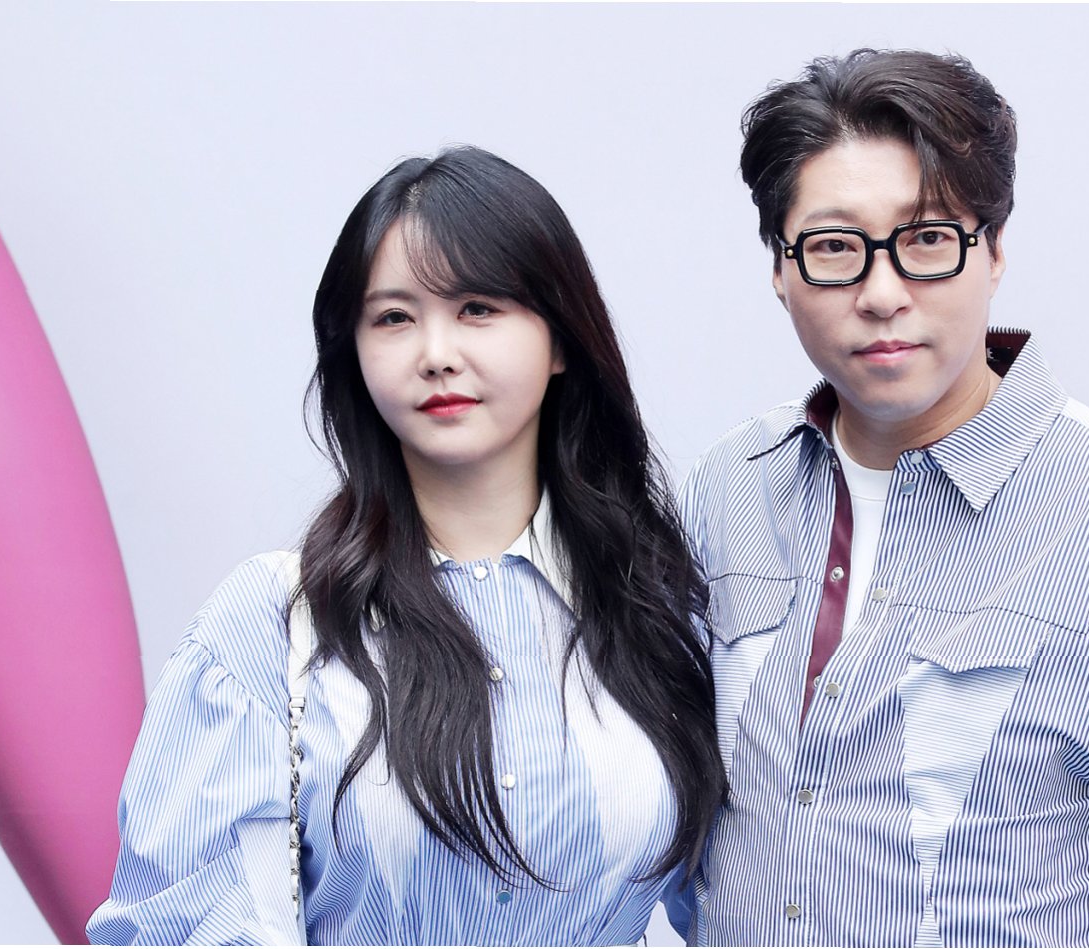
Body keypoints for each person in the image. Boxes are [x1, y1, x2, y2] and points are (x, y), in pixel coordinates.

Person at [673, 49, 1089, 947]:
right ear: (779, 267)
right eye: (834, 248)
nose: (882, 294)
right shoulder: (729, 486)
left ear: (992, 251)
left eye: (926, 239)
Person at [87, 146, 724, 946]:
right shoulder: (274, 622)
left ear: (560, 340)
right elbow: (178, 926)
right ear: (353, 352)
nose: (436, 354)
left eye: (478, 308)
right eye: (393, 317)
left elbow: (742, 899)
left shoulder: (662, 607)